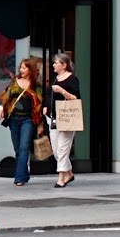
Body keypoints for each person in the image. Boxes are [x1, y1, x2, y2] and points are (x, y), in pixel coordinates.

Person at [0, 57, 45, 186]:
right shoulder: (15, 82)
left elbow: (40, 106)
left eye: (24, 68)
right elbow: (4, 96)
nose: (21, 70)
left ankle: (19, 178)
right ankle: (24, 174)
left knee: (24, 147)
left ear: (31, 70)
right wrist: (0, 107)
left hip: (28, 120)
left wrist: (40, 124)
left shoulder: (36, 86)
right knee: (18, 149)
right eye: (21, 67)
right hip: (14, 119)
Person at [49, 52, 82, 188]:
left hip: (67, 117)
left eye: (56, 63)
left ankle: (61, 178)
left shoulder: (72, 79)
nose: (53, 65)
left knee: (63, 149)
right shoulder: (56, 78)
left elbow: (76, 98)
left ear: (64, 65)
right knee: (57, 151)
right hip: (55, 117)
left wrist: (62, 91)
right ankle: (68, 173)